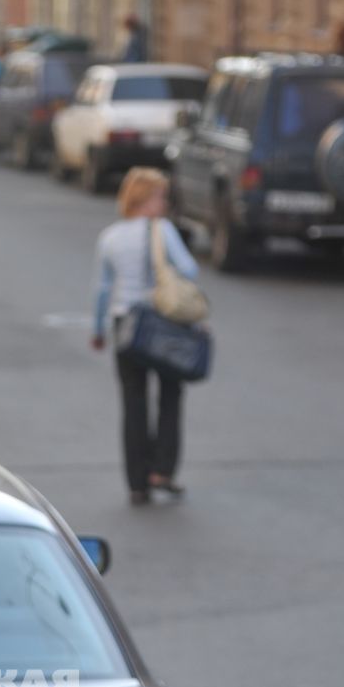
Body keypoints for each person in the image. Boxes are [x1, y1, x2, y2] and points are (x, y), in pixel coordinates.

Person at [90, 167, 203, 504]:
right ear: (145, 199)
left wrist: (98, 329)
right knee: (170, 395)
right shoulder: (162, 230)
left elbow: (102, 289)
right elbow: (189, 270)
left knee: (133, 402)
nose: (165, 204)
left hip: (125, 325)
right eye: (161, 197)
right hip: (162, 323)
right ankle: (162, 470)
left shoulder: (109, 237)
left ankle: (137, 482)